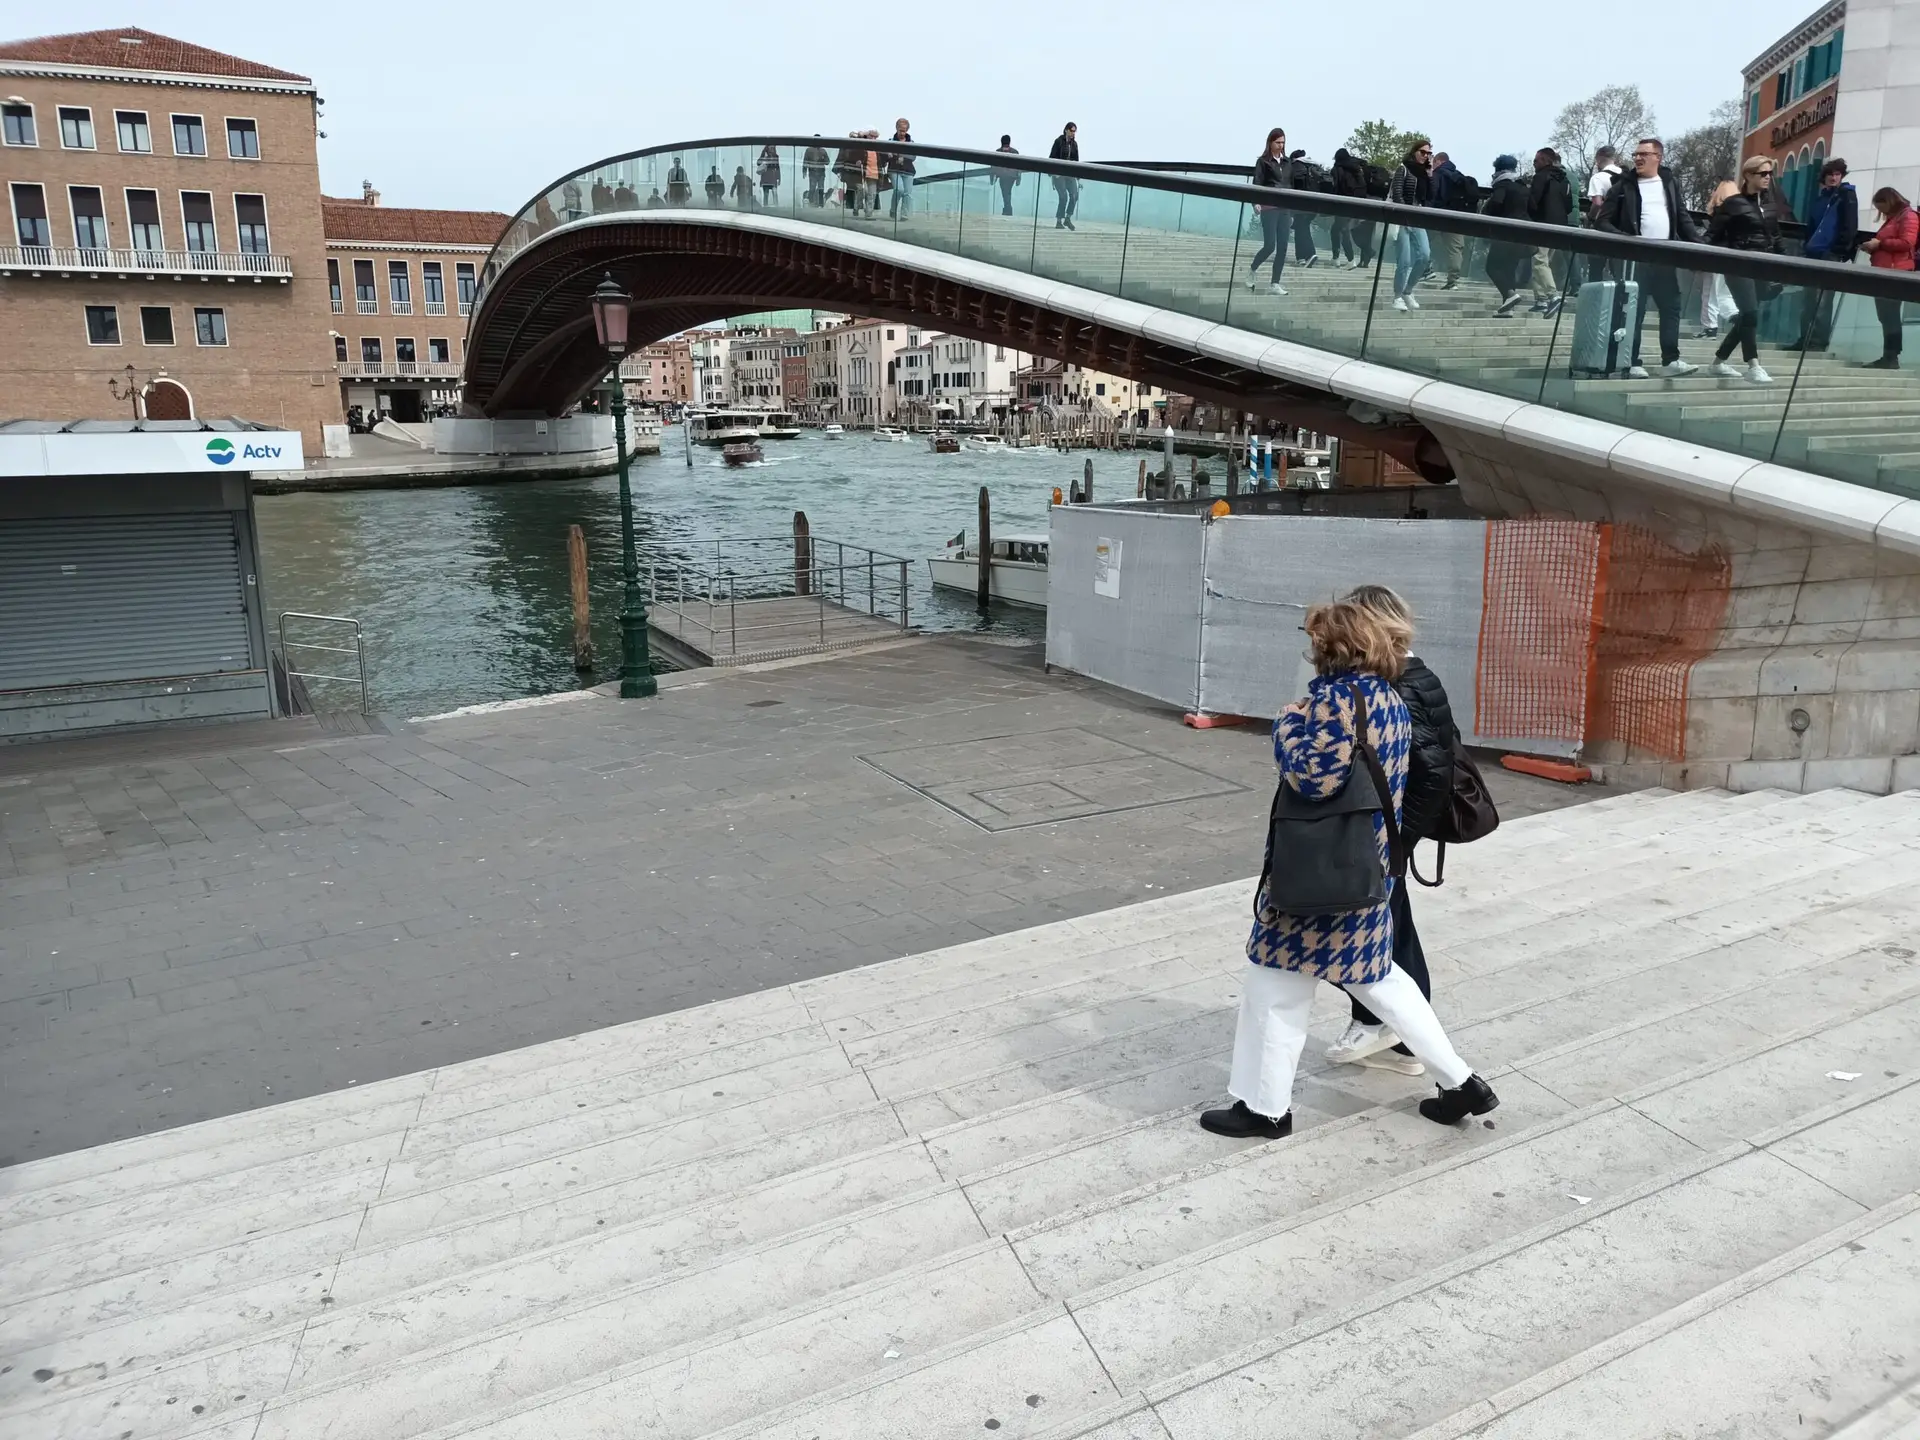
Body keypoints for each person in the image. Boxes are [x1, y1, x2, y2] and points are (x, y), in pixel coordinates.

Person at [1199, 599, 1498, 1140]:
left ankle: (1265, 1109)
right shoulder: (1387, 696)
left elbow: (1314, 776)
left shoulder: (1332, 702)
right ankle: (1461, 1082)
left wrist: (1288, 721)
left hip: (1319, 868)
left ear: (1331, 648)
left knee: (1275, 981)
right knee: (1378, 976)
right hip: (1368, 862)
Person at [1325, 585, 1452, 1076]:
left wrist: (1398, 840)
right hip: (1390, 831)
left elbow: (1432, 771)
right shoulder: (1415, 675)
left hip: (1385, 833)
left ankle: (1391, 1032)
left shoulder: (1397, 686)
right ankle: (1397, 1043)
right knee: (1396, 929)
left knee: (1375, 932)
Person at [1593, 136, 1702, 379]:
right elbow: (1601, 221)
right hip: (1635, 261)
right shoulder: (1623, 186)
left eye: (1644, 154)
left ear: (1658, 157)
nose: (1638, 158)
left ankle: (1670, 361)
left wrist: (1702, 247)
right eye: (1636, 155)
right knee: (1635, 310)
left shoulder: (1670, 183)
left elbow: (1682, 218)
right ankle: (1631, 362)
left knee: (1672, 307)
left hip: (1664, 258)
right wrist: (1626, 240)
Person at [1702, 155, 1781, 385]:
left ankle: (1717, 363)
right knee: (1750, 313)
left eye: (1769, 174)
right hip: (1737, 264)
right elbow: (1712, 235)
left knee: (1747, 317)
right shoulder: (1733, 203)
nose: (1767, 178)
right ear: (1748, 175)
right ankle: (1753, 365)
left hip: (1762, 266)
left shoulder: (1769, 205)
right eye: (1762, 174)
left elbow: (1776, 238)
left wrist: (1786, 265)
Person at [1789, 158, 1861, 353]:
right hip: (1814, 252)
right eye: (1830, 174)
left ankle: (1818, 342)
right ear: (1824, 177)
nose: (1833, 177)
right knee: (1808, 299)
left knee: (1823, 300)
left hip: (1830, 254)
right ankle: (1805, 338)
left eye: (1837, 174)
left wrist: (1839, 250)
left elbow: (1850, 225)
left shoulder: (1847, 195)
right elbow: (1812, 225)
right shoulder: (1822, 198)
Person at [1861, 187, 1918, 369]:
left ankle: (1891, 356)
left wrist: (1880, 244)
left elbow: (1907, 243)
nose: (1881, 212)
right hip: (1886, 270)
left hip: (1896, 271)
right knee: (1886, 315)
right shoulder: (1895, 218)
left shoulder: (1908, 216)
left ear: (1889, 201)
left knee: (1890, 314)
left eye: (1881, 206)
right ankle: (1889, 354)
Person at [1481, 155, 1533, 317]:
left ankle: (1509, 295)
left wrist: (1488, 212)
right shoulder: (1522, 186)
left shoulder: (1502, 184)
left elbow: (1497, 203)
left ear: (1498, 169)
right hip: (1523, 232)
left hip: (1506, 232)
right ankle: (1507, 307)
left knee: (1492, 267)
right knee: (1509, 269)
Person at [1525, 146, 1574, 315]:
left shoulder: (1540, 177)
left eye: (1536, 160)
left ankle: (1553, 296)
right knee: (1543, 262)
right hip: (1560, 226)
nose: (1534, 163)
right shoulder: (1564, 180)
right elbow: (1569, 206)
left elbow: (1533, 202)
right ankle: (1541, 299)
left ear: (1545, 161)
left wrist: (1532, 217)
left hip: (1542, 224)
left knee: (1539, 260)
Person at [1387, 139, 1434, 311]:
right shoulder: (1403, 168)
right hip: (1402, 218)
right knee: (1404, 260)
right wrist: (1404, 215)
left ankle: (1408, 290)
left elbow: (1430, 197)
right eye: (1422, 152)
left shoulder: (1424, 173)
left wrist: (1430, 176)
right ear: (1414, 151)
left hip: (1417, 217)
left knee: (1425, 255)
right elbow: (1397, 193)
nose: (1426, 156)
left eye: (1429, 153)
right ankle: (1398, 296)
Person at [1247, 127, 1293, 296]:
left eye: (1283, 142)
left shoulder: (1288, 163)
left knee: (1283, 247)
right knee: (1269, 245)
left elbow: (1291, 187)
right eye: (1277, 142)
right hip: (1269, 207)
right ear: (1270, 142)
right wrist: (1256, 203)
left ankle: (1275, 283)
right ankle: (1253, 269)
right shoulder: (1263, 162)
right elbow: (1257, 183)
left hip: (1285, 208)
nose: (1280, 145)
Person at [1697, 179, 1741, 337]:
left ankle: (1711, 326)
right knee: (1724, 292)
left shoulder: (1719, 213)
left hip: (1716, 256)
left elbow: (1712, 235)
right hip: (1734, 256)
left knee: (1710, 292)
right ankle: (1736, 317)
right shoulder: (1741, 213)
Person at [1428, 151, 1470, 288]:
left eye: (1434, 162)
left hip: (1438, 215)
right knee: (1455, 249)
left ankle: (1425, 269)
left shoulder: (1438, 174)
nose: (1433, 165)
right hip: (1457, 217)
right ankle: (1453, 280)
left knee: (1422, 240)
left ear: (1439, 161)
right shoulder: (1459, 176)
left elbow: (1433, 194)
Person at [1584, 145, 1623, 282]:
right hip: (1622, 228)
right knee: (1619, 269)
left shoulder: (1598, 178)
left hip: (1602, 227)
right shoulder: (1627, 176)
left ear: (1599, 159)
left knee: (1596, 266)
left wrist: (1590, 218)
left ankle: (1596, 299)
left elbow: (1597, 203)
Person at [1331, 148, 1370, 267]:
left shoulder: (1337, 168)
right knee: (1337, 229)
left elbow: (1336, 187)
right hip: (1356, 203)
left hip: (1342, 203)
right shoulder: (1356, 166)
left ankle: (1350, 259)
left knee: (1342, 229)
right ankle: (1336, 257)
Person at [1287, 150, 1320, 267]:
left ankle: (1310, 254)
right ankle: (1301, 257)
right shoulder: (1314, 166)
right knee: (1301, 227)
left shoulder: (1294, 166)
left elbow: (1288, 185)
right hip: (1315, 204)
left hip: (1300, 204)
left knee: (1302, 228)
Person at [1050, 122, 1080, 229]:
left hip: (1070, 174)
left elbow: (1076, 161)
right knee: (1063, 197)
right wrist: (1054, 173)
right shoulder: (1058, 142)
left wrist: (1078, 177)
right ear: (1066, 130)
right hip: (1059, 174)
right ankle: (1059, 220)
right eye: (1071, 131)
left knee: (1074, 196)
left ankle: (1068, 218)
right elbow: (1052, 157)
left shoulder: (1074, 144)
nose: (1073, 133)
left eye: (1074, 131)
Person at [887, 118, 915, 219]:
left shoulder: (912, 143)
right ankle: (893, 210)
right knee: (899, 190)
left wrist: (903, 158)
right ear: (897, 129)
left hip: (908, 171)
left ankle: (904, 215)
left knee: (907, 193)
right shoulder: (890, 142)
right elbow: (887, 155)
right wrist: (891, 156)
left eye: (904, 130)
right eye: (900, 130)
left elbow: (913, 157)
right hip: (894, 170)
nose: (902, 133)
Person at [835, 135, 867, 215]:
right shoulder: (845, 147)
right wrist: (838, 171)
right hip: (847, 172)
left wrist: (861, 161)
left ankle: (856, 207)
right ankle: (850, 206)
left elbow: (865, 158)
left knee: (859, 189)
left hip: (857, 173)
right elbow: (840, 158)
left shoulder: (860, 148)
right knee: (850, 189)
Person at [993, 135, 1022, 215]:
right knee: (1007, 192)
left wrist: (993, 176)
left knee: (1005, 192)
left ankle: (1008, 209)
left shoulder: (998, 151)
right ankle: (1007, 208)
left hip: (1003, 176)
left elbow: (994, 165)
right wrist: (1018, 178)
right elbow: (1019, 166)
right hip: (1012, 176)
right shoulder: (1015, 152)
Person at [803, 138, 830, 207]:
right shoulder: (809, 150)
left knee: (821, 189)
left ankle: (820, 204)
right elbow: (805, 161)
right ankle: (811, 202)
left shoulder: (822, 150)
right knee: (812, 189)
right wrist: (804, 171)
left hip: (820, 173)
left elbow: (828, 162)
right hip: (813, 172)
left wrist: (823, 159)